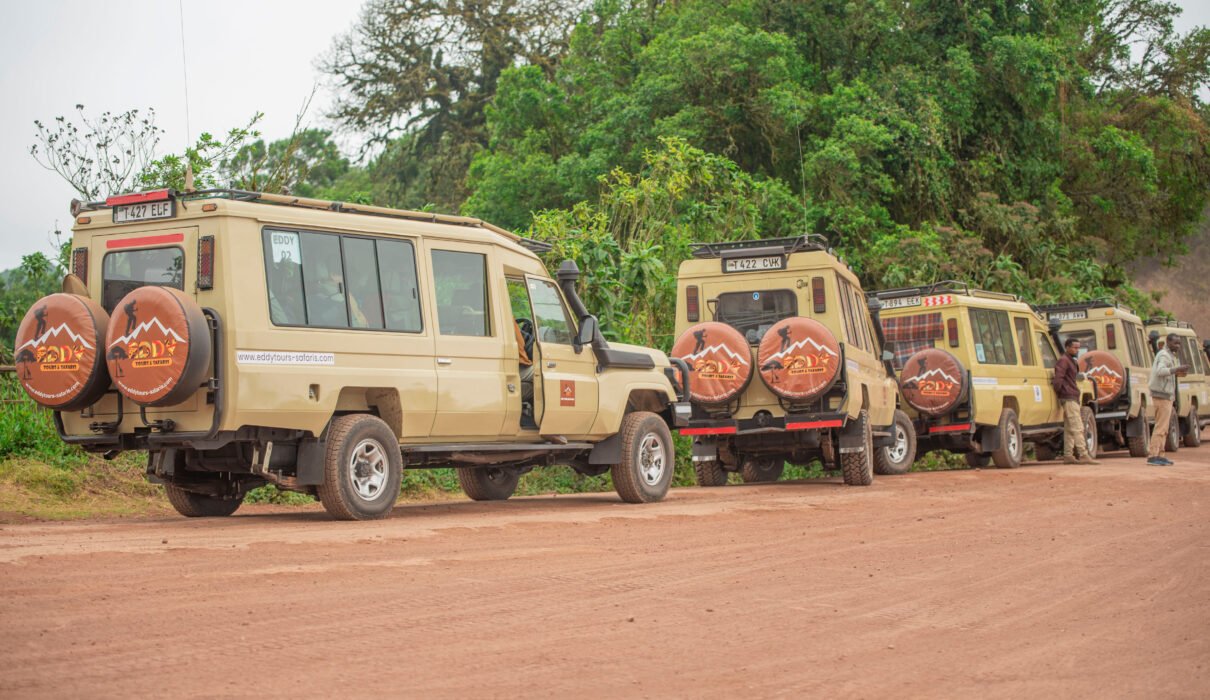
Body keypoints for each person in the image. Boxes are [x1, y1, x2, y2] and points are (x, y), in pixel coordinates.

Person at [1053, 338, 1098, 464]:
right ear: (1067, 347)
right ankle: (1083, 454)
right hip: (1069, 397)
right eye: (1074, 347)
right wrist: (1062, 392)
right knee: (1077, 427)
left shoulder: (1070, 360)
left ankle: (1068, 455)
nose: (1077, 350)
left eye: (1078, 347)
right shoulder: (1064, 361)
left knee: (1069, 427)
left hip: (1071, 396)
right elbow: (1058, 380)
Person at [1147, 333, 1189, 466]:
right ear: (1168, 342)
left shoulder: (1169, 355)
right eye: (1175, 343)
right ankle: (1153, 456)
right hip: (1161, 395)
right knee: (1160, 427)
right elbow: (1160, 371)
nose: (1177, 346)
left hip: (1165, 395)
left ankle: (1160, 455)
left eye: (1179, 343)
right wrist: (1176, 369)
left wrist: (1178, 371)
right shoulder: (1164, 355)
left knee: (1164, 427)